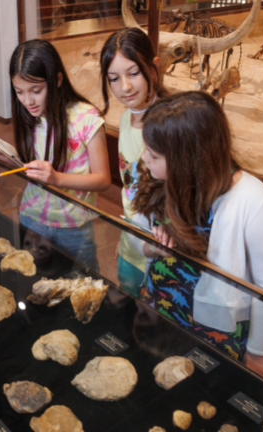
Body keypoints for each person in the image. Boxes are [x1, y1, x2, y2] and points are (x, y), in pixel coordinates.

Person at [132, 91, 263, 376]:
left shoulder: (255, 203)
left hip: (217, 326)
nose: (144, 159)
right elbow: (135, 230)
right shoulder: (160, 181)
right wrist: (151, 246)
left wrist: (257, 356)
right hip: (158, 303)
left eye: (153, 154)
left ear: (186, 158)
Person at [0, 40, 111, 272]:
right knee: (38, 283)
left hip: (73, 224)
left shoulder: (87, 118)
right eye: (19, 92)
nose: (28, 101)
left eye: (36, 91)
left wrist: (57, 178)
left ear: (57, 80)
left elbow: (102, 179)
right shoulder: (30, 115)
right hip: (32, 217)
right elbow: (28, 167)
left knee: (82, 283)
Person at [100, 27, 167, 296]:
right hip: (131, 243)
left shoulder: (167, 126)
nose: (124, 88)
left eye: (134, 73)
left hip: (160, 251)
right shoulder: (126, 118)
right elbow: (130, 188)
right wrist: (125, 237)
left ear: (153, 68)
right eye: (114, 78)